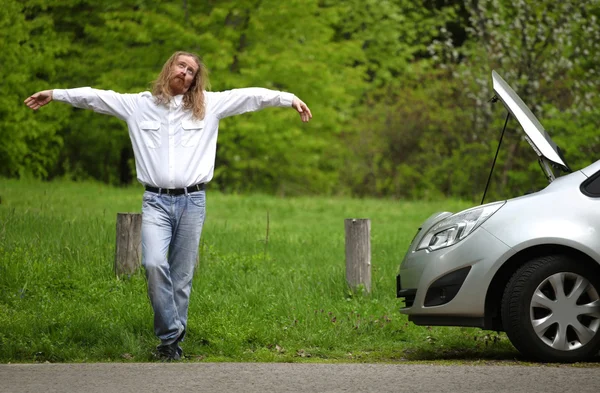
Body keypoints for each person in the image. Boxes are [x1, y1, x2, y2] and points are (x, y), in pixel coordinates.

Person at [24, 50, 312, 361]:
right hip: (155, 201)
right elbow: (95, 97)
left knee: (183, 276)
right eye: (182, 66)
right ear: (169, 67)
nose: (186, 73)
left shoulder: (209, 106)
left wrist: (288, 98)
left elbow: (250, 97)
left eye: (192, 71)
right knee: (153, 264)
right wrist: (54, 94)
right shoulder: (138, 106)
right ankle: (173, 331)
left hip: (193, 201)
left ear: (195, 80)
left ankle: (169, 345)